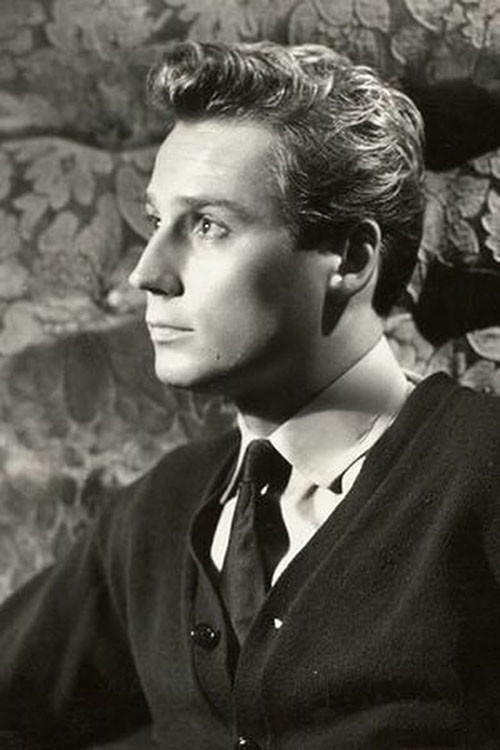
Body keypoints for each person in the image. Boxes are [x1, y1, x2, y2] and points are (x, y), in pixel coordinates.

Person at [1, 40, 500, 750]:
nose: (147, 273)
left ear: (352, 258)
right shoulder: (158, 511)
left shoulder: (483, 473)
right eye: (156, 222)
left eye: (208, 225)